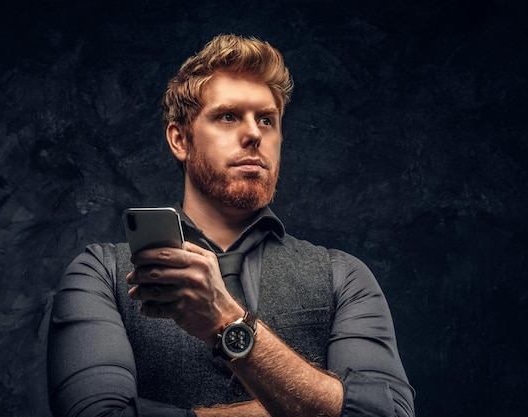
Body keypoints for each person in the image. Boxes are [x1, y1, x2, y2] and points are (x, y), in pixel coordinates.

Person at [47, 34, 415, 417]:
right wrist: (302, 407)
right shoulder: (102, 274)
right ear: (179, 139)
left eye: (267, 120)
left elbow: (387, 414)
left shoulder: (344, 278)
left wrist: (226, 321)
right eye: (228, 116)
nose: (254, 133)